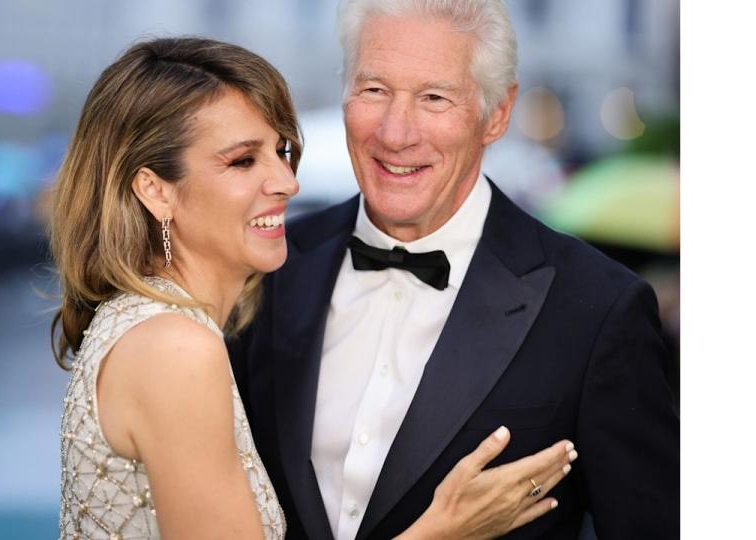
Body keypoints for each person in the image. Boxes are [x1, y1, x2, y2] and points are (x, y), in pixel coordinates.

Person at [51, 36, 573, 540]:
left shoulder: (151, 326)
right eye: (242, 160)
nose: (286, 182)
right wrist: (443, 532)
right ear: (154, 190)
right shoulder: (177, 348)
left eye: (281, 151)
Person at [228, 1, 680, 539]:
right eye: (374, 90)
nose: (395, 133)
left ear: (497, 114)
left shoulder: (597, 308)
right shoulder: (266, 265)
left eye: (434, 98)